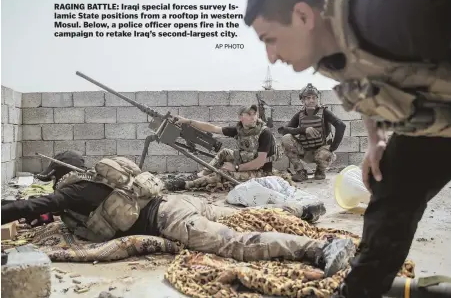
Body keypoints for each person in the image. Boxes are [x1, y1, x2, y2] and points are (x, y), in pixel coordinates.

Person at [242, 0, 451, 297]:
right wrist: (375, 140)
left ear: (303, 16)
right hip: (436, 119)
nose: (271, 57)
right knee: (391, 185)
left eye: (269, 39)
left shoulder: (393, 11)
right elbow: (365, 84)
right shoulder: (328, 46)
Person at [1, 151, 356, 277]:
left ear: (60, 178)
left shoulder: (69, 192)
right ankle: (297, 208)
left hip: (168, 220)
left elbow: (29, 207)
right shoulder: (92, 183)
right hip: (174, 203)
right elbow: (44, 214)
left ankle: (319, 248)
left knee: (235, 243)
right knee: (236, 214)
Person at [166, 104, 282, 191]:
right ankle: (201, 175)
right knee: (225, 152)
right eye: (249, 114)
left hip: (261, 172)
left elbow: (259, 163)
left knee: (225, 173)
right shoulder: (239, 130)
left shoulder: (265, 133)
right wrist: (188, 121)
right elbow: (213, 128)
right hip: (245, 162)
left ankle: (187, 185)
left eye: (255, 114)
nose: (253, 117)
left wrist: (235, 167)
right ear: (241, 117)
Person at [278, 83, 346, 181]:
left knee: (324, 155)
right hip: (304, 151)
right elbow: (284, 131)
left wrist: (332, 148)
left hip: (321, 152)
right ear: (302, 100)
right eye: (308, 98)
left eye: (314, 98)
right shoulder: (299, 115)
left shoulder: (324, 112)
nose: (311, 100)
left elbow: (341, 125)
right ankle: (301, 172)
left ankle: (320, 171)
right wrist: (303, 130)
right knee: (286, 138)